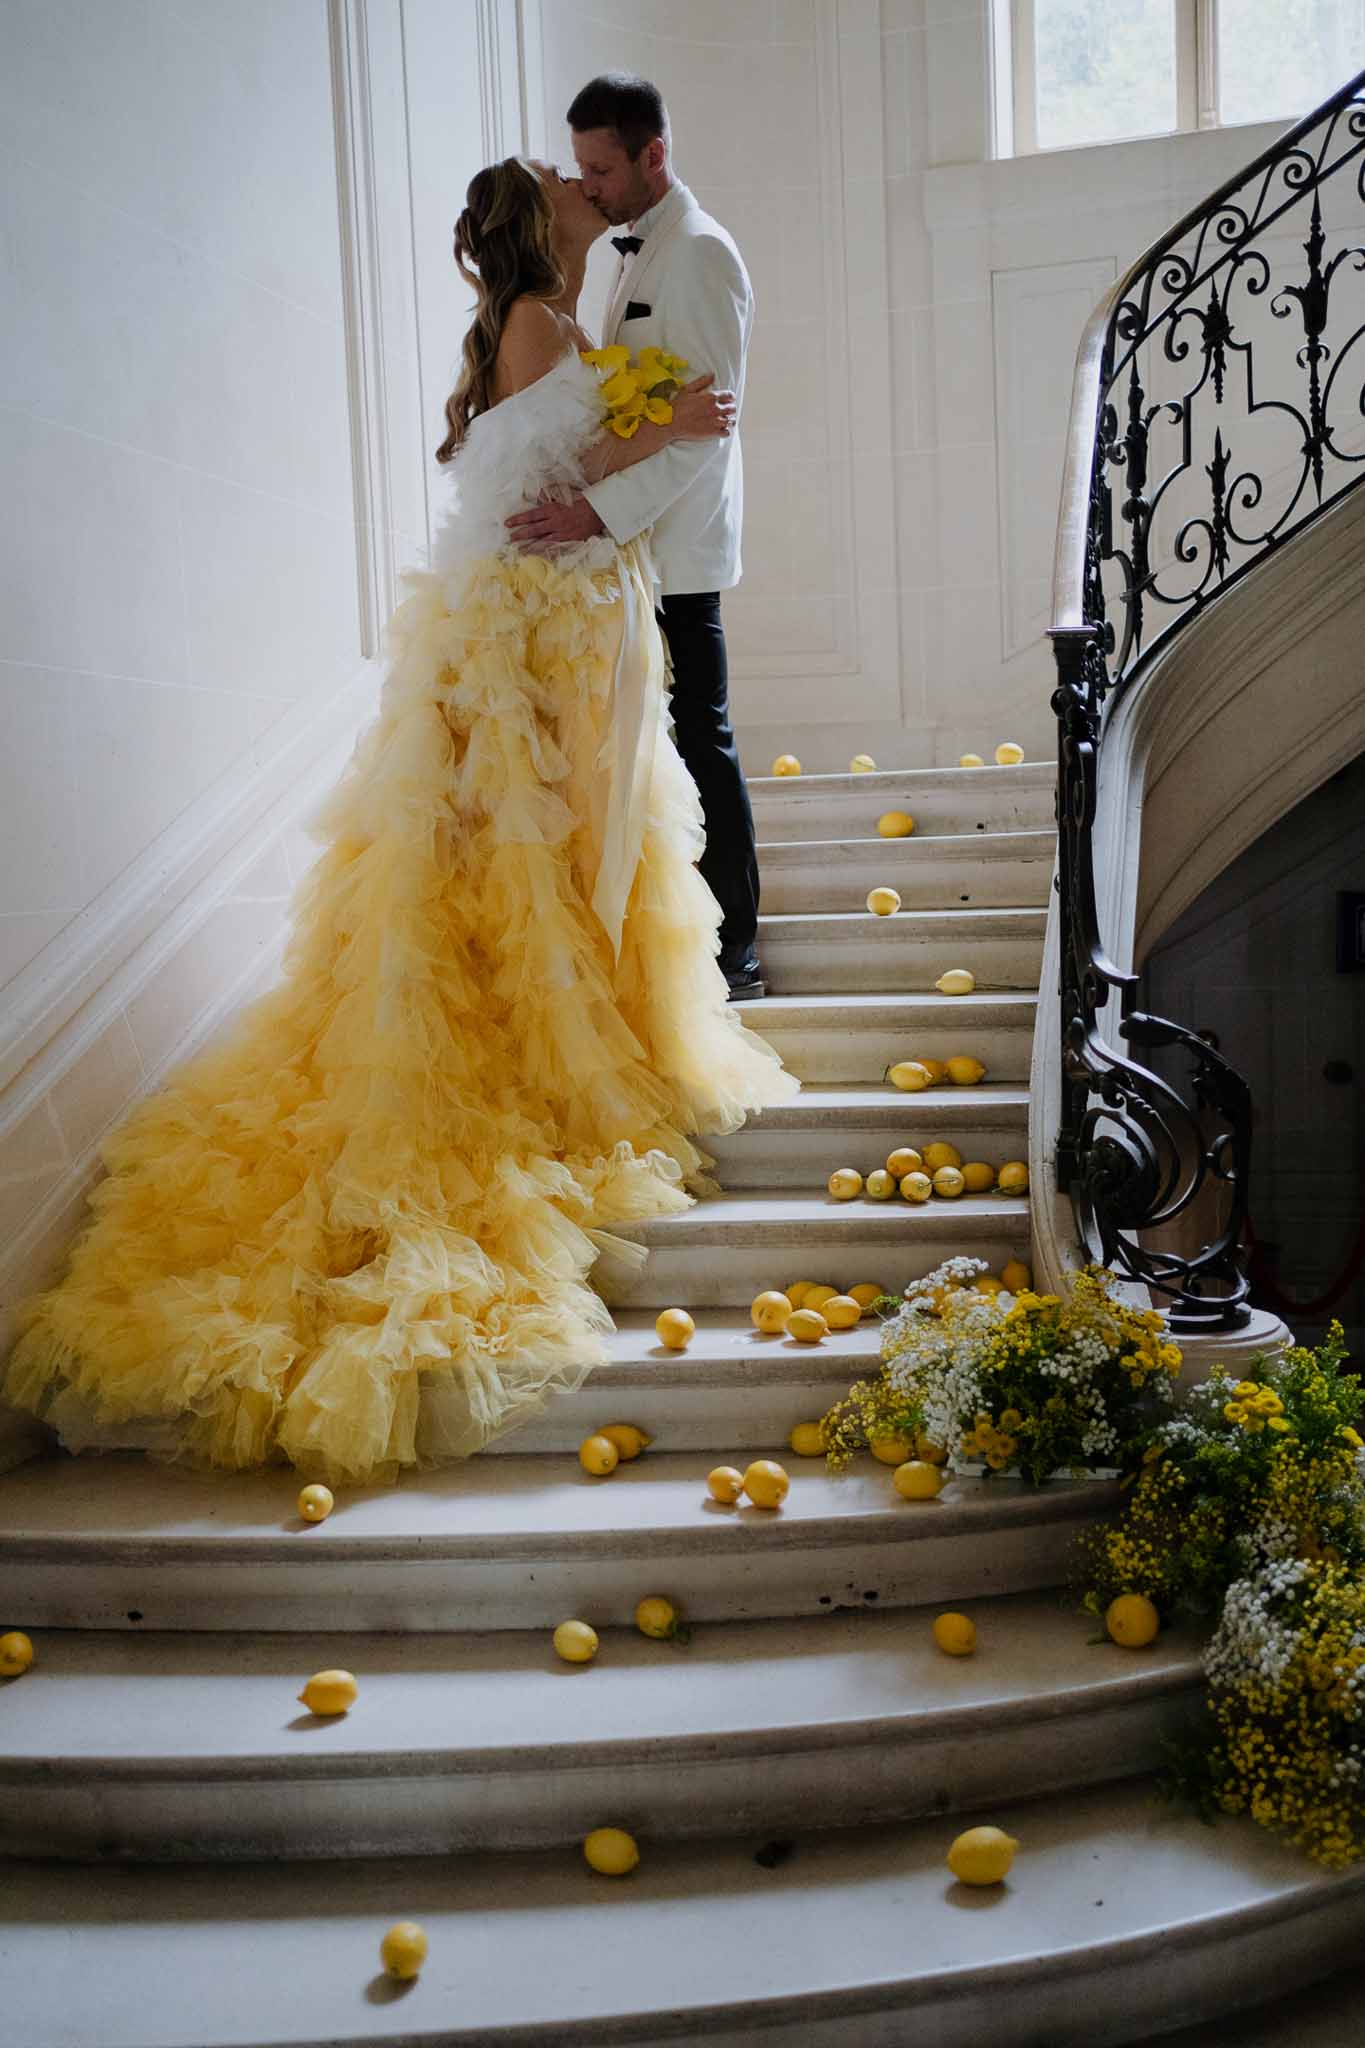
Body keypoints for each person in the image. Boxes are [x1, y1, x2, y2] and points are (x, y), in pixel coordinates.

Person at [3, 155, 795, 1489]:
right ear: (540, 221)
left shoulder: (526, 320)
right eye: (560, 177)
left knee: (514, 869)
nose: (572, 175)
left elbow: (537, 468)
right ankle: (535, 1071)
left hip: (508, 617)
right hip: (517, 633)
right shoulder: (540, 318)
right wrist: (662, 428)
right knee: (526, 862)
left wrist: (635, 433)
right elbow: (561, 468)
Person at [507, 73, 764, 1001]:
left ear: (653, 154)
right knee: (672, 748)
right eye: (580, 169)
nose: (590, 188)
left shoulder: (696, 253)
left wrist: (589, 513)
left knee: (702, 740)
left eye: (601, 168)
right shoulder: (634, 253)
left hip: (676, 551)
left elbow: (706, 429)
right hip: (634, 553)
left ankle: (736, 952)